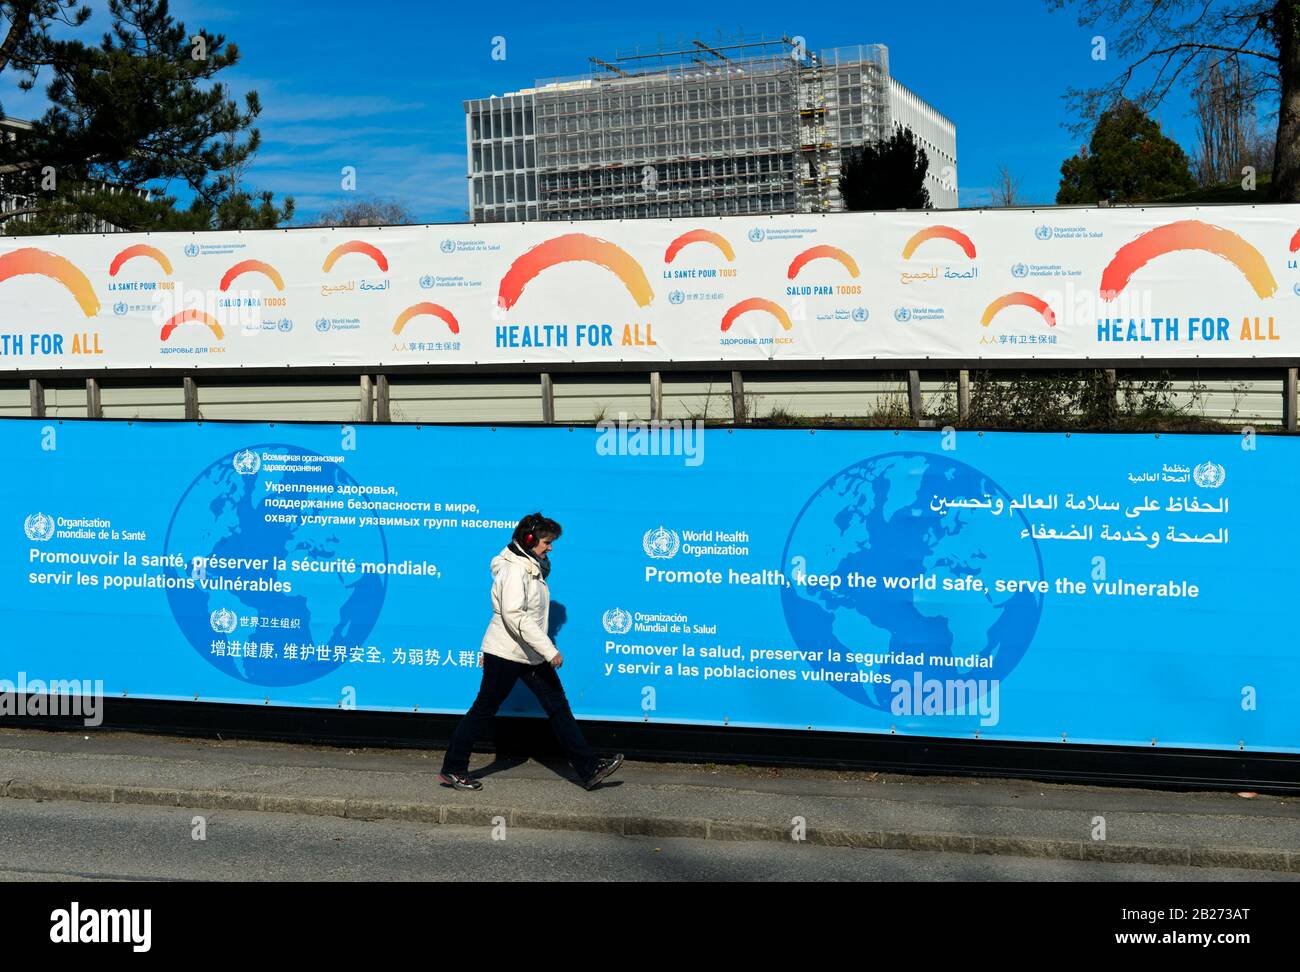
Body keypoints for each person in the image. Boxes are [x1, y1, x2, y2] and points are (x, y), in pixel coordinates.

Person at [438, 512, 623, 791]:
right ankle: (453, 769)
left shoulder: (528, 565)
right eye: (546, 542)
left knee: (558, 708)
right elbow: (515, 616)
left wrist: (541, 650)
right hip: (506, 653)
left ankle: (589, 769)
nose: (550, 547)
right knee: (484, 710)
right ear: (528, 539)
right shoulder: (514, 570)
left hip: (529, 653)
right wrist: (550, 650)